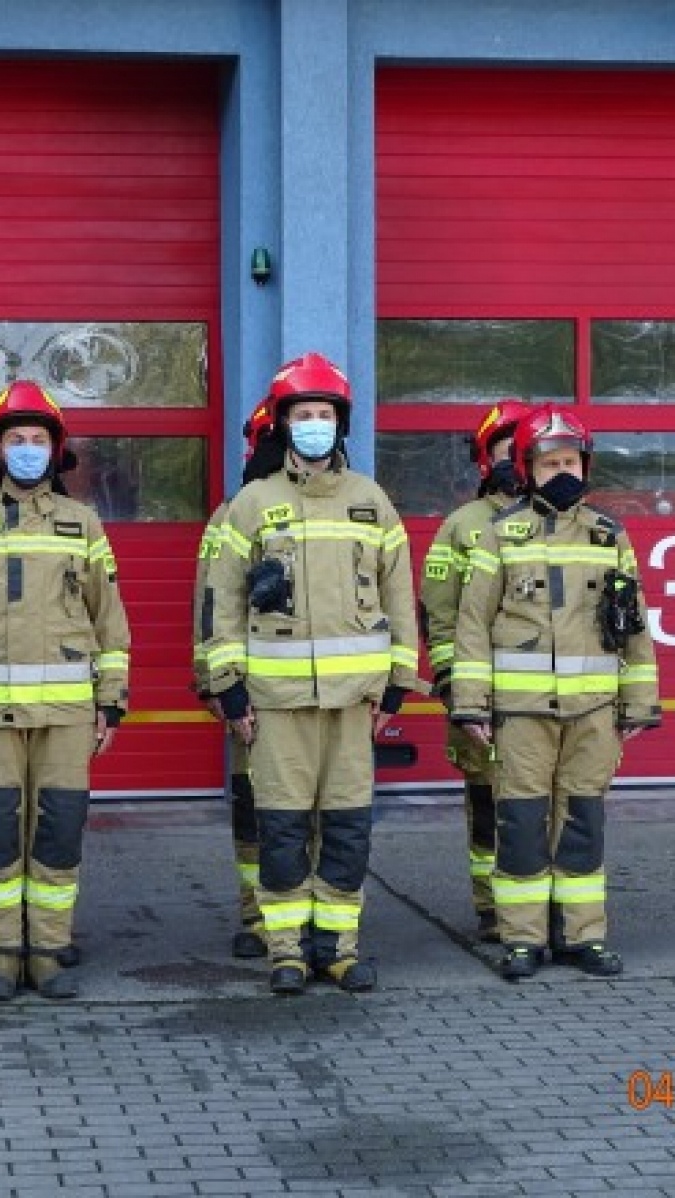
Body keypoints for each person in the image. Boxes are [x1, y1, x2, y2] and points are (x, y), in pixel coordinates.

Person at [203, 352, 420, 995]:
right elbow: (222, 603)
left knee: (348, 830)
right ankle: (287, 952)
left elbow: (398, 597)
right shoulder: (252, 505)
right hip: (276, 705)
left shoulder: (370, 502)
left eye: (325, 414)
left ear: (340, 423)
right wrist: (230, 687)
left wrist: (399, 683)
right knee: (283, 832)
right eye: (304, 414)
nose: (315, 424)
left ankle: (340, 949)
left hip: (355, 704)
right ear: (283, 424)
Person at [0, 381, 131, 1002]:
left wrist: (111, 699)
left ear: (55, 449)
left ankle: (46, 949)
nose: (26, 449)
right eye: (15, 439)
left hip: (67, 712)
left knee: (58, 831)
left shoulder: (83, 523)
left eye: (37, 439)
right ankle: (0, 952)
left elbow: (109, 620)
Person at [450, 405, 660, 981]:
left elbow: (633, 626)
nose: (562, 471)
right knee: (520, 824)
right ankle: (523, 940)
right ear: (528, 469)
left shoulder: (609, 535)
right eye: (550, 463)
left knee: (582, 822)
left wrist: (639, 703)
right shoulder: (500, 534)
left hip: (592, 711)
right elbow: (472, 624)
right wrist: (471, 703)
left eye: (570, 461)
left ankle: (582, 937)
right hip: (521, 714)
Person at [420, 399, 531, 944]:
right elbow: (440, 616)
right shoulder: (461, 528)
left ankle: (546, 909)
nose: (519, 462)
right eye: (508, 452)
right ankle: (493, 909)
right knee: (489, 808)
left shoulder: (566, 524)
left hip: (548, 702)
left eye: (525, 451)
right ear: (487, 459)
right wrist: (452, 686)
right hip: (482, 700)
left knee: (548, 809)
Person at [192, 397, 276, 960]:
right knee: (254, 808)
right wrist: (217, 684)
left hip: (323, 698)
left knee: (318, 814)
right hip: (255, 696)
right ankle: (257, 914)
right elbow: (211, 604)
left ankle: (310, 916)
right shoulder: (232, 516)